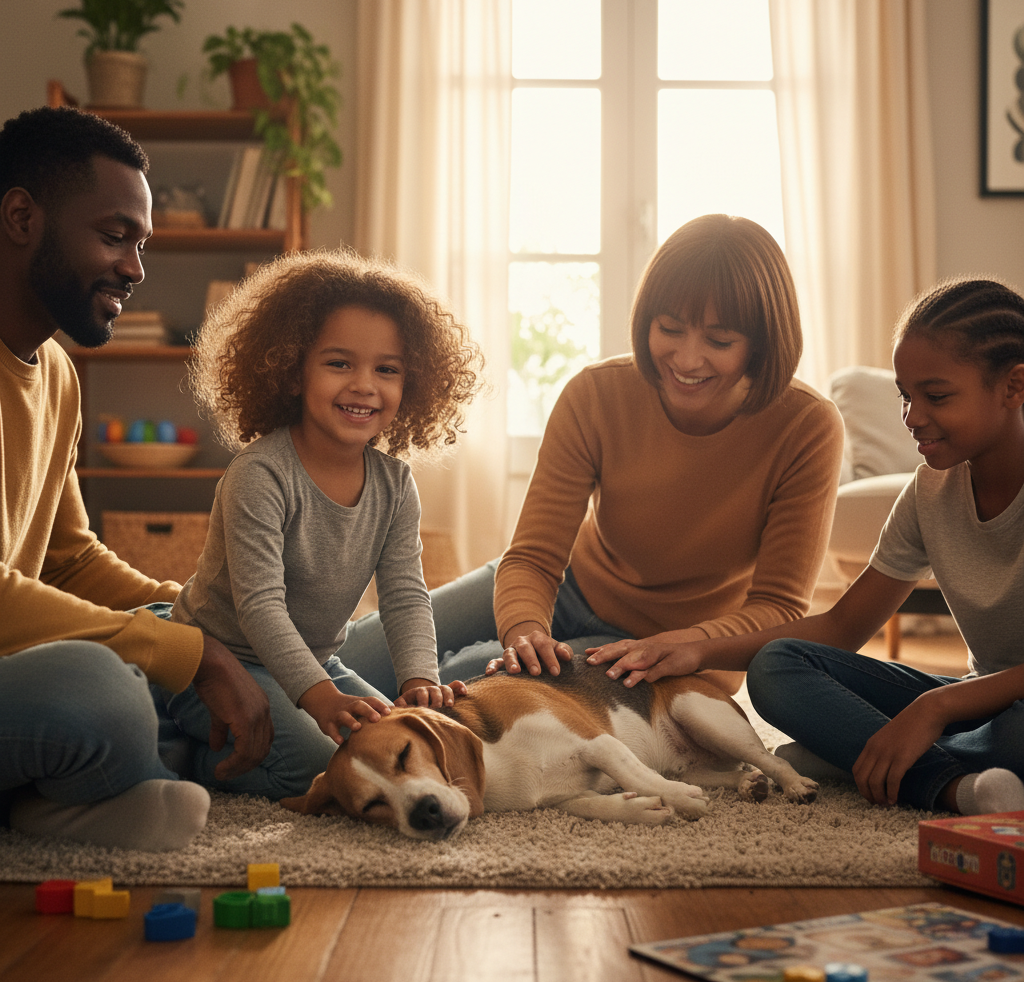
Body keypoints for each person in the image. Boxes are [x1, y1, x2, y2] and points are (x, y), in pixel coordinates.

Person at [338, 213, 846, 697]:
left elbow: (779, 608)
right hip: (568, 585)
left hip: (676, 647)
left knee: (460, 683)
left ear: (759, 344)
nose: (687, 359)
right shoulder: (597, 395)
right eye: (669, 329)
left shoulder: (806, 427)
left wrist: (690, 646)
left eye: (719, 339)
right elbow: (534, 556)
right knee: (356, 655)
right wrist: (524, 629)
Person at [589, 277, 1024, 817]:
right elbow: (842, 630)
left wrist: (937, 706)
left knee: (1013, 736)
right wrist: (696, 648)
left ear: (1013, 386)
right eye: (905, 396)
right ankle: (957, 785)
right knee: (777, 666)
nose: (912, 417)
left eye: (935, 396)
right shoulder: (929, 493)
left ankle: (876, 758)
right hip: (981, 707)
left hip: (995, 714)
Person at [0, 105, 273, 852]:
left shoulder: (54, 370)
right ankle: (74, 790)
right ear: (22, 216)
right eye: (115, 236)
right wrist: (189, 655)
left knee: (202, 650)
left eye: (141, 243)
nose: (135, 268)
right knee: (100, 690)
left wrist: (192, 616)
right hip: (37, 679)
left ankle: (89, 787)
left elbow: (72, 560)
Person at [163, 249, 482, 800]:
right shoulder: (260, 474)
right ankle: (187, 751)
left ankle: (256, 728)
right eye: (339, 364)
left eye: (387, 369)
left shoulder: (394, 484)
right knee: (316, 763)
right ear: (291, 371)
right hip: (214, 662)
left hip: (313, 660)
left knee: (398, 740)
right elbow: (260, 605)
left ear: (413, 385)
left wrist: (419, 681)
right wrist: (318, 698)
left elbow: (406, 595)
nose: (364, 385)